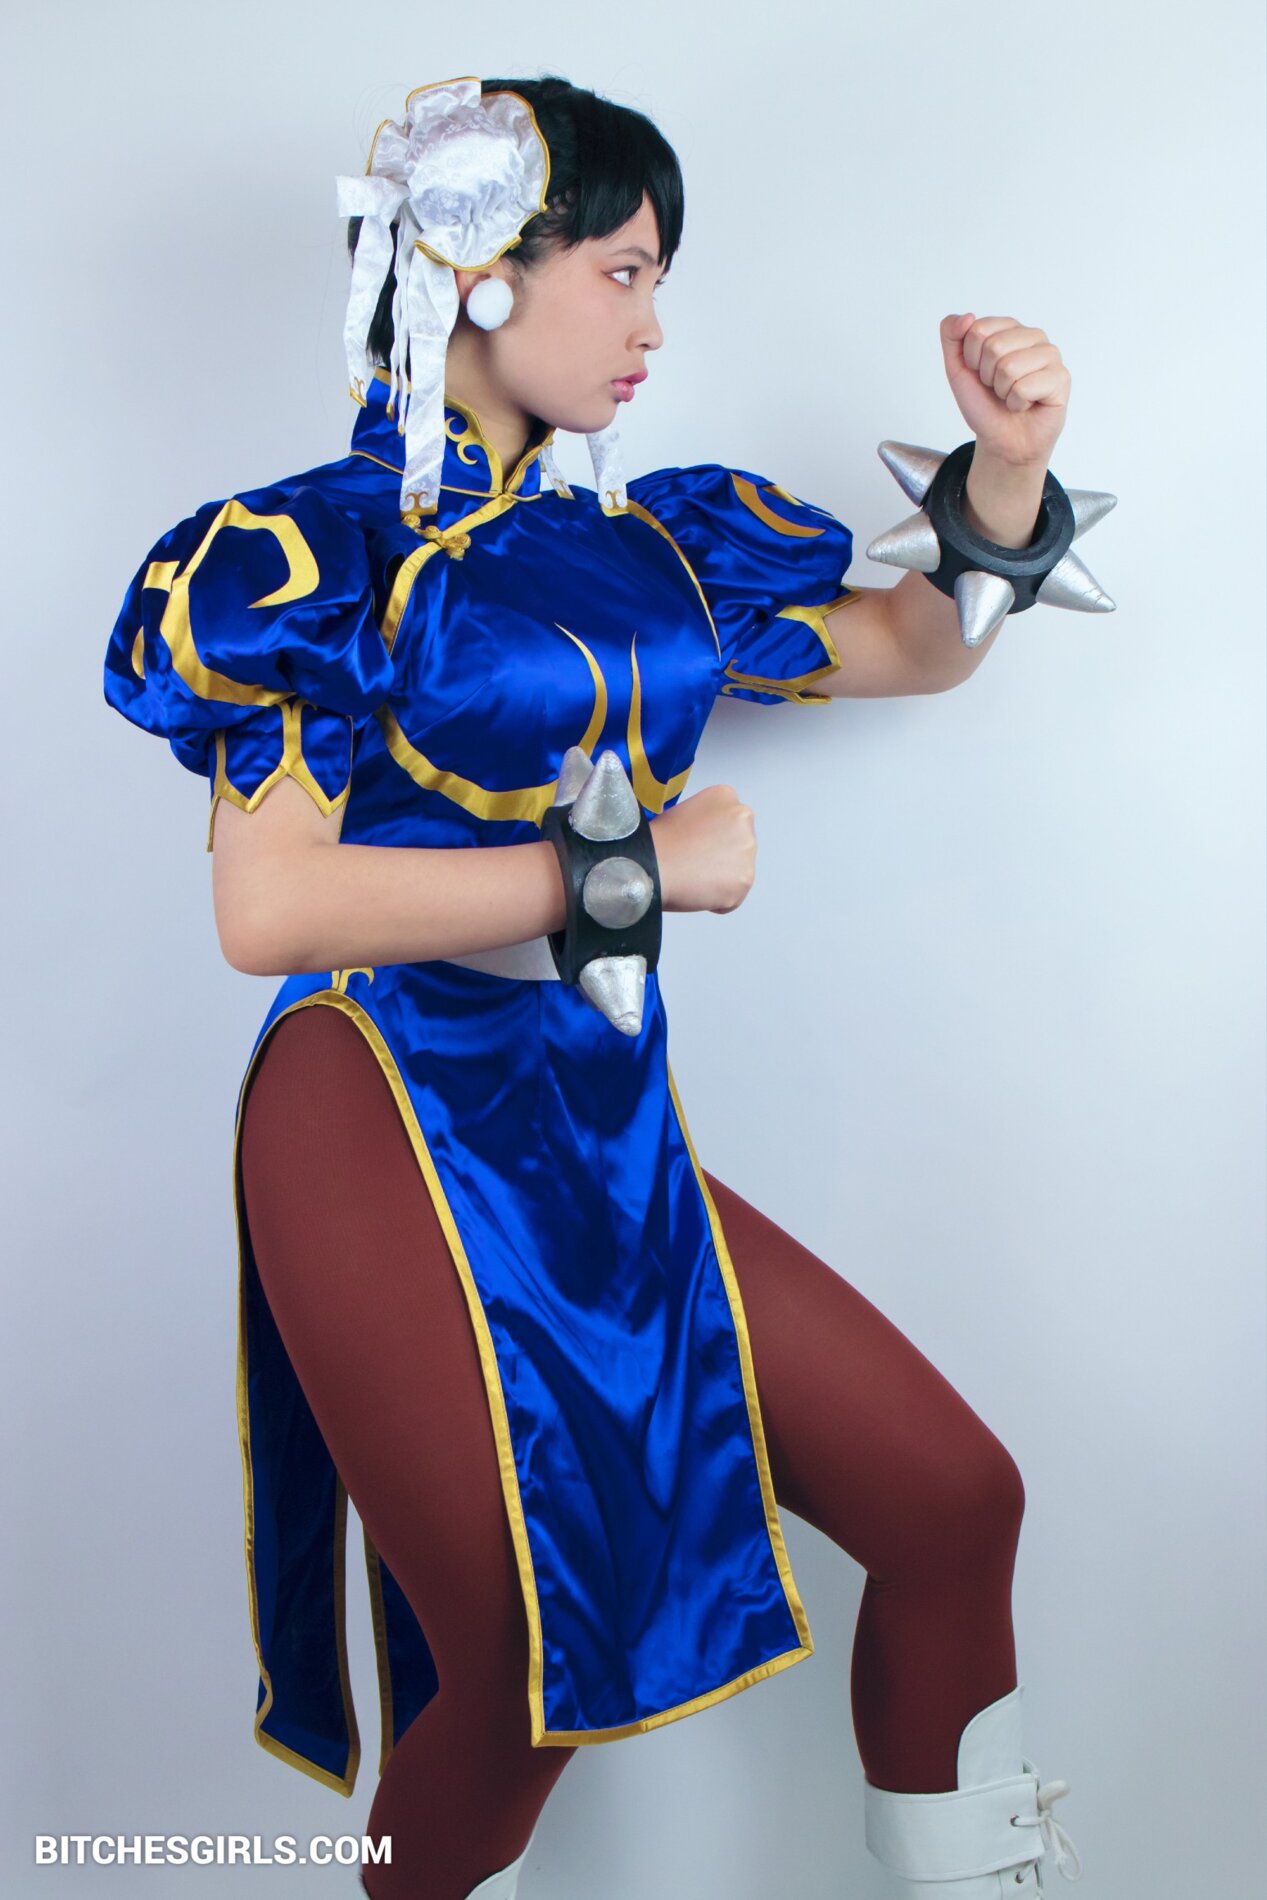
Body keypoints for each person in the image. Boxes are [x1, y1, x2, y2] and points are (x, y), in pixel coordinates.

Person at [103, 73, 1094, 1900]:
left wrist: (1011, 466)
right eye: (623, 274)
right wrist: (624, 875)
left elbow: (912, 644)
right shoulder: (308, 557)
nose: (652, 326)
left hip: (587, 1108)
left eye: (661, 282)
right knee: (516, 1658)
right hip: (373, 1097)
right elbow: (273, 904)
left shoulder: (643, 552)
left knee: (954, 1505)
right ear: (479, 272)